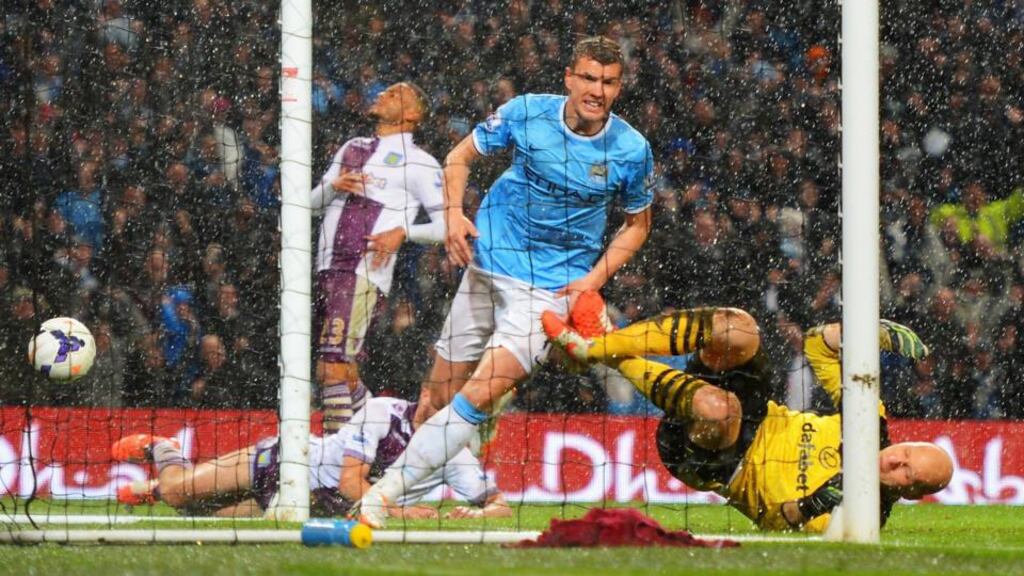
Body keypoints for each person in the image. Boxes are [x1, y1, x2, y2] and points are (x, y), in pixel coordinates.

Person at [355, 35, 654, 528]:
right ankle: (428, 498)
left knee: (478, 393)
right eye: (588, 78)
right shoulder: (527, 112)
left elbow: (638, 224)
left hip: (548, 293)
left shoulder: (630, 150)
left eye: (608, 82)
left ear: (619, 87)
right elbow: (458, 157)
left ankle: (381, 494)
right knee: (434, 398)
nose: (597, 90)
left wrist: (592, 280)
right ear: (569, 78)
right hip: (488, 264)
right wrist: (452, 214)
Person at [541, 299, 953, 532]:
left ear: (910, 494)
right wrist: (870, 332)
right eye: (907, 452)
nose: (895, 460)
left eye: (907, 474)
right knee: (740, 328)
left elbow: (779, 523)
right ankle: (596, 347)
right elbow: (817, 345)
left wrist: (813, 504)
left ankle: (598, 351)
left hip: (721, 462)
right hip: (762, 414)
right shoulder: (868, 423)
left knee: (717, 410)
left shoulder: (862, 519)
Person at [111, 389, 511, 520]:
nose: (433, 404)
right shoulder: (382, 411)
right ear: (423, 392)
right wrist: (404, 513)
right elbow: (350, 482)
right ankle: (161, 447)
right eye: (431, 394)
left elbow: (501, 508)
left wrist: (478, 512)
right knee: (182, 492)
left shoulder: (456, 454)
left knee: (199, 518)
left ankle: (154, 488)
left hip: (309, 506)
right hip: (286, 464)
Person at [310, 81, 446, 433]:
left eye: (396, 94)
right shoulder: (352, 147)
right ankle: (387, 435)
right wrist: (332, 187)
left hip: (361, 273)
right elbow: (308, 205)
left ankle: (335, 464)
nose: (383, 94)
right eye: (385, 91)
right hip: (325, 269)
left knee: (331, 369)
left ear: (413, 115)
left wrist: (403, 232)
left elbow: (447, 226)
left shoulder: (419, 163)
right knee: (346, 373)